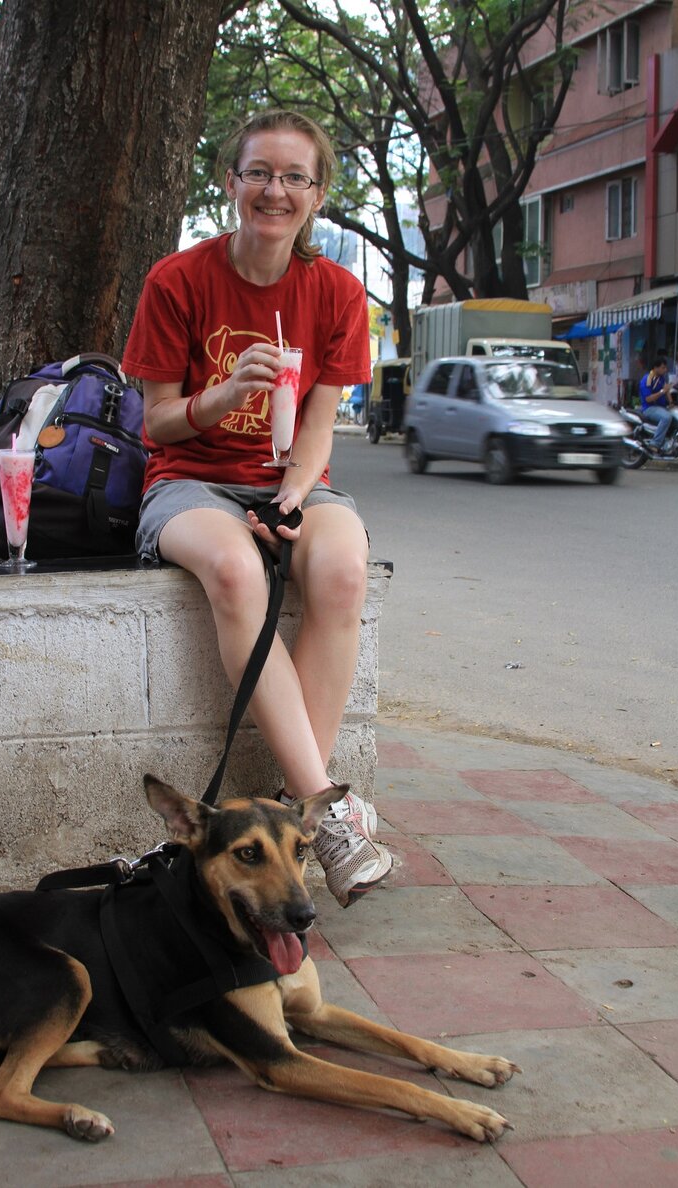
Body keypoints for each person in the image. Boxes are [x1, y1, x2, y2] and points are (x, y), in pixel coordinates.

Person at [122, 109, 393, 907]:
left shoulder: (337, 292)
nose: (275, 191)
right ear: (231, 182)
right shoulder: (177, 280)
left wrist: (292, 497)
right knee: (238, 571)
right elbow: (157, 422)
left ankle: (291, 809)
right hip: (188, 481)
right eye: (260, 173)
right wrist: (228, 392)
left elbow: (317, 427)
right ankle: (328, 816)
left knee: (342, 568)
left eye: (295, 178)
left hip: (291, 478)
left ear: (318, 195)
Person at [639, 359, 675, 453]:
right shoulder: (648, 379)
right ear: (655, 368)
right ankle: (655, 443)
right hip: (649, 408)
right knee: (667, 417)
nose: (665, 370)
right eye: (663, 367)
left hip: (660, 407)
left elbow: (666, 389)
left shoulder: (661, 378)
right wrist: (662, 391)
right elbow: (648, 399)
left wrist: (671, 403)